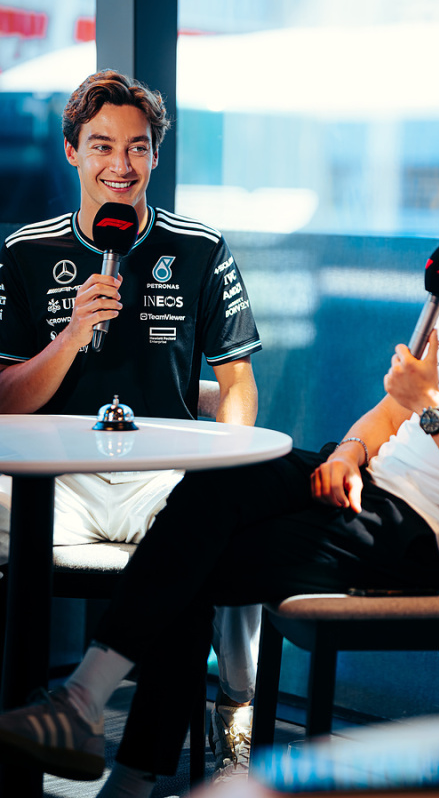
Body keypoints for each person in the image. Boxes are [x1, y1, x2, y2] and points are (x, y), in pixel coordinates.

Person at [0, 140, 439, 795]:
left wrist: (431, 408)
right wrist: (349, 453)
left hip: (426, 536)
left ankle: (107, 746)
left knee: (193, 559)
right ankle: (87, 712)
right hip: (366, 483)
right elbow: (388, 412)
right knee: (214, 482)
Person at [0, 71, 264, 792]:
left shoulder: (200, 248)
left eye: (138, 147)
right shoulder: (24, 251)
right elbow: (5, 400)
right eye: (102, 146)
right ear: (71, 152)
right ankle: (28, 732)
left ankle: (191, 744)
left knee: (220, 535)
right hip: (55, 483)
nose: (121, 164)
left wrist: (222, 463)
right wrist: (71, 334)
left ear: (155, 155)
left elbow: (237, 384)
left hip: (163, 481)